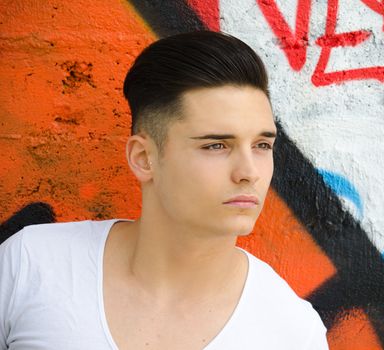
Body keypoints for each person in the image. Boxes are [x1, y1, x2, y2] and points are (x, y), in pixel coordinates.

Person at [0, 31, 329, 349]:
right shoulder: (30, 266)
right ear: (144, 158)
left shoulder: (291, 332)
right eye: (216, 145)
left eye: (261, 144)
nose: (249, 173)